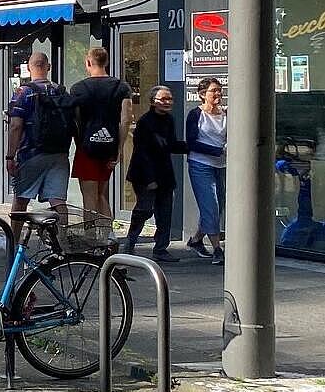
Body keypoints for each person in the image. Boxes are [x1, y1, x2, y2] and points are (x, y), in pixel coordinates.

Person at [1, 52, 70, 247]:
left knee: (21, 199)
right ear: (48, 67)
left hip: (31, 153)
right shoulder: (61, 91)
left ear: (29, 68)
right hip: (59, 153)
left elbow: (15, 126)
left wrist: (10, 156)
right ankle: (63, 243)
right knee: (58, 201)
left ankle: (12, 243)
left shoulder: (23, 92)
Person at [121, 85, 185, 261]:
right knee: (144, 210)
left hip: (164, 174)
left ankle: (160, 248)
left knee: (165, 213)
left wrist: (192, 147)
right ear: (153, 101)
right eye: (163, 99)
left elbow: (171, 145)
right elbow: (142, 153)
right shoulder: (145, 122)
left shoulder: (169, 120)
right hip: (144, 174)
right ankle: (130, 244)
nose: (167, 102)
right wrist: (150, 179)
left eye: (169, 99)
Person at [69, 46, 132, 221]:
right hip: (109, 146)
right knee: (102, 194)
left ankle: (92, 240)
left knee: (89, 197)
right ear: (107, 62)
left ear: (88, 62)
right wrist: (119, 148)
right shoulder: (121, 87)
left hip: (87, 147)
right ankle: (108, 238)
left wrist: (78, 141)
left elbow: (74, 119)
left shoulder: (78, 88)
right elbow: (126, 118)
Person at [185, 76, 227, 265]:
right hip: (200, 164)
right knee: (211, 205)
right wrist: (217, 150)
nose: (218, 93)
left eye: (219, 89)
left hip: (221, 165)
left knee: (218, 206)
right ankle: (217, 249)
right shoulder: (196, 115)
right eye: (213, 91)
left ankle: (195, 240)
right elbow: (192, 143)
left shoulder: (226, 113)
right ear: (202, 95)